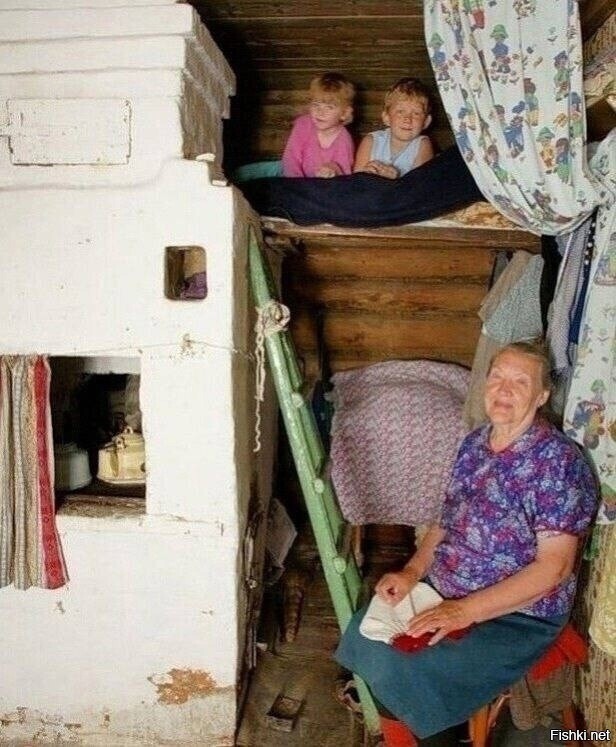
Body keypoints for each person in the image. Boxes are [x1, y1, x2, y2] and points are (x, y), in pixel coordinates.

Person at [335, 341, 597, 746]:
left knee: (414, 668)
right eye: (497, 377)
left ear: (542, 395)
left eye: (520, 382)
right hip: (446, 587)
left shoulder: (557, 462)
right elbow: (447, 519)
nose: (504, 390)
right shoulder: (475, 444)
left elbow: (554, 568)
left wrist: (463, 612)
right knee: (368, 634)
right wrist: (412, 572)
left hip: (517, 613)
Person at [353, 77, 434, 179]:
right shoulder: (371, 140)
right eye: (400, 112)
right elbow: (355, 181)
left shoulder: (423, 144)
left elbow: (421, 184)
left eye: (416, 113)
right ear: (386, 117)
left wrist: (396, 177)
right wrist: (367, 174)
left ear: (426, 121)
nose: (407, 119)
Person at [281, 72, 356, 178]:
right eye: (316, 105)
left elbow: (345, 175)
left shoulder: (344, 140)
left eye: (329, 107)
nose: (320, 112)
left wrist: (333, 169)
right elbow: (291, 158)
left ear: (344, 113)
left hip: (324, 185)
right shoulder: (303, 124)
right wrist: (297, 184)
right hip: (294, 180)